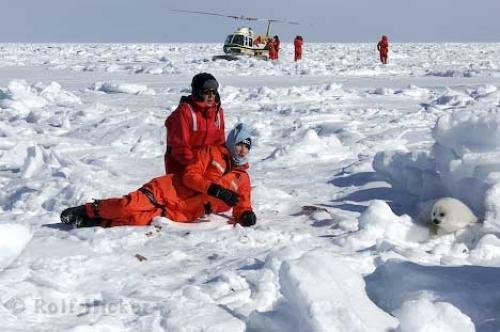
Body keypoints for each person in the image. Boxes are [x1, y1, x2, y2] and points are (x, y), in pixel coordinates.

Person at [60, 124, 257, 228]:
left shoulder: (242, 178)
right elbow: (190, 176)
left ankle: (97, 222)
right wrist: (215, 190)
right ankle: (87, 210)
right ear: (232, 142)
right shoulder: (210, 152)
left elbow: (243, 203)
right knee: (127, 205)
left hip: (185, 212)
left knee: (137, 220)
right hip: (167, 191)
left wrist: (246, 214)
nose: (242, 150)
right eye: (240, 144)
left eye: (246, 147)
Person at [164, 73, 225, 176]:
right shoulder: (185, 112)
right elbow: (180, 147)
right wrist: (195, 167)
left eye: (213, 91)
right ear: (198, 92)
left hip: (207, 167)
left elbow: (220, 144)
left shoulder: (218, 113)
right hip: (183, 167)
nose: (211, 95)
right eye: (206, 91)